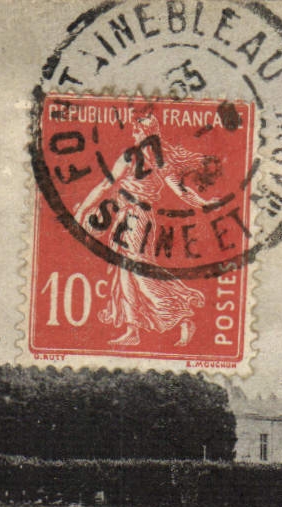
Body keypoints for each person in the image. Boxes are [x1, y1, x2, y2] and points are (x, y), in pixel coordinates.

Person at [73, 109, 218, 348]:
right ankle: (133, 329)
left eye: (137, 130)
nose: (134, 134)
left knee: (137, 271)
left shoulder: (136, 157)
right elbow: (180, 191)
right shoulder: (160, 160)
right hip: (130, 216)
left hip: (135, 218)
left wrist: (80, 212)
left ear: (145, 133)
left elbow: (104, 186)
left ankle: (180, 315)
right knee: (125, 271)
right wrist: (203, 203)